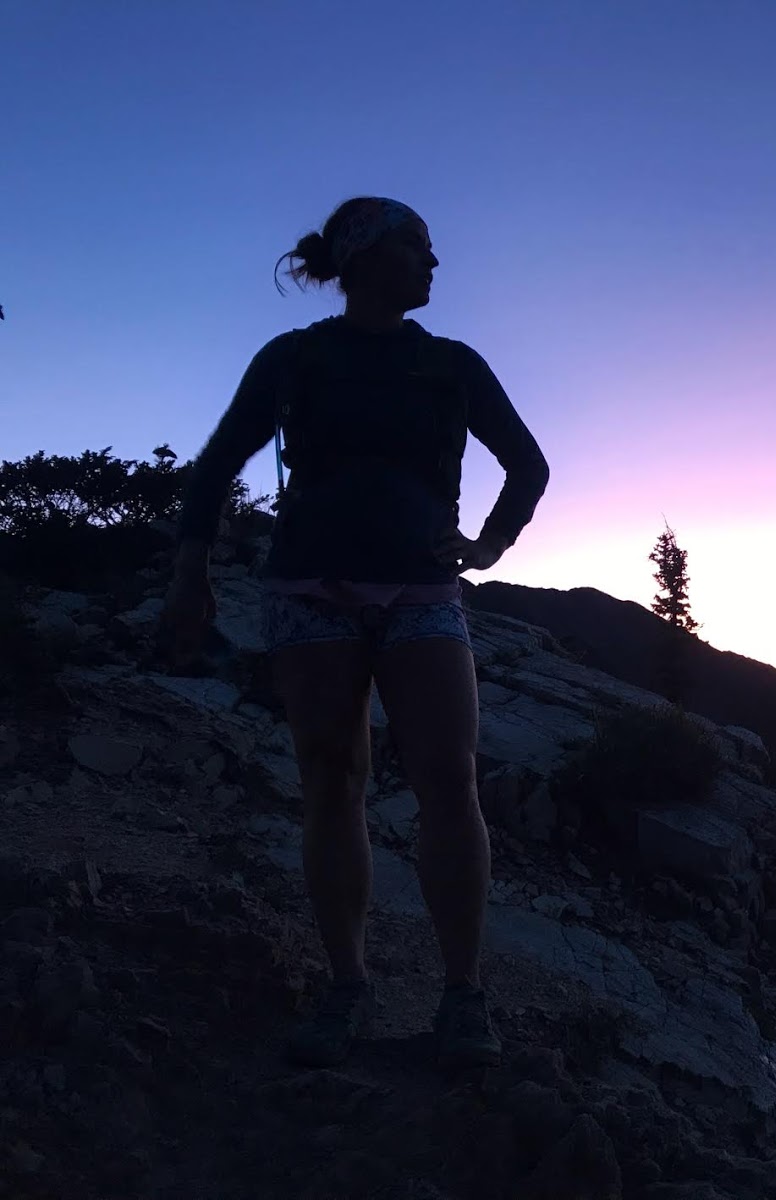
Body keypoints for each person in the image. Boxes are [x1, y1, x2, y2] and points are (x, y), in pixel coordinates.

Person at [159, 196, 550, 1070]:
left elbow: (528, 464)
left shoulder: (450, 364)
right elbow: (220, 460)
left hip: (420, 591)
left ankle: (462, 994)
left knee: (449, 781)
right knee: (331, 783)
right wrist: (189, 573)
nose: (434, 265)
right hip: (310, 591)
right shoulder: (296, 359)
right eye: (421, 247)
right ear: (367, 255)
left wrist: (488, 545)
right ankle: (348, 986)